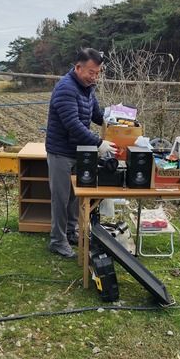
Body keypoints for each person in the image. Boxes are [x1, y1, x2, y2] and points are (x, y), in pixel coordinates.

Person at [45, 48, 116, 258]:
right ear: (78, 68)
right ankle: (57, 240)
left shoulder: (88, 88)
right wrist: (99, 143)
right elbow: (73, 125)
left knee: (75, 196)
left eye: (98, 73)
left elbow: (95, 114)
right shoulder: (66, 88)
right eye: (91, 72)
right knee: (60, 197)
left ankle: (71, 231)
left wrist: (113, 120)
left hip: (78, 150)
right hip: (61, 151)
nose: (94, 77)